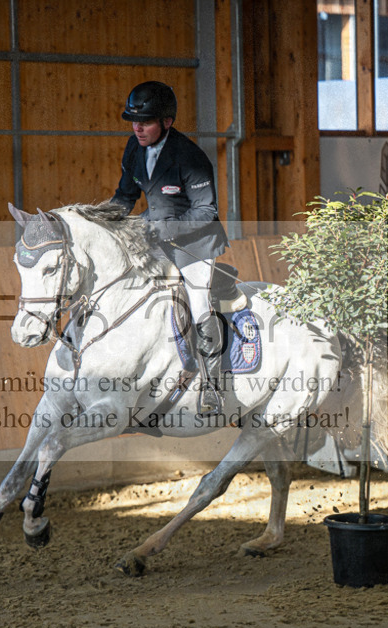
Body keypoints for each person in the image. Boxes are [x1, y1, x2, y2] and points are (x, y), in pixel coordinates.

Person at [110, 81, 230, 415]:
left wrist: (157, 228)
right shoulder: (133, 148)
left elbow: (206, 211)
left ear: (167, 122)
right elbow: (125, 197)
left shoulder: (189, 156)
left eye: (145, 122)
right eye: (134, 121)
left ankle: (211, 386)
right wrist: (104, 222)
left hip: (196, 244)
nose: (138, 128)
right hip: (157, 237)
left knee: (198, 302)